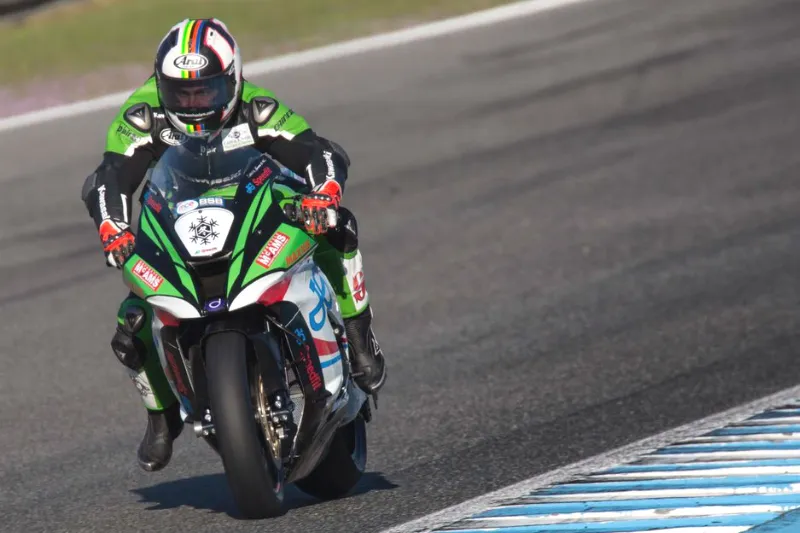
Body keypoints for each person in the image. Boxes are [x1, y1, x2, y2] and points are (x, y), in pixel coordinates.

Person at [80, 18, 387, 472]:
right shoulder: (141, 116)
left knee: (339, 228)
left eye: (204, 92)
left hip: (253, 204)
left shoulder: (257, 106)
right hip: (179, 218)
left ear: (232, 80)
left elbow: (318, 151)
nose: (193, 104)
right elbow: (108, 180)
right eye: (180, 93)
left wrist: (324, 196)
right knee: (131, 322)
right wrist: (113, 228)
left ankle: (360, 339)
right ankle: (161, 416)